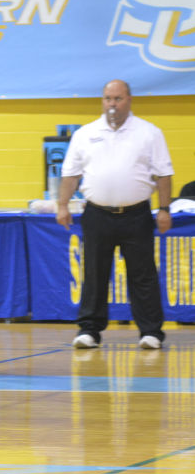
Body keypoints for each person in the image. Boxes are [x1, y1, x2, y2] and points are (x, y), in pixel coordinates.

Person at [57, 80, 173, 350]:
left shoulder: (149, 132)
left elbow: (164, 173)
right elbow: (70, 174)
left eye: (118, 98)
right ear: (102, 101)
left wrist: (164, 209)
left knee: (142, 274)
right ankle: (89, 331)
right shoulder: (85, 134)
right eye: (108, 98)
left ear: (129, 99)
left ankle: (151, 332)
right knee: (95, 273)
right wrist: (62, 205)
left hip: (137, 215)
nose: (112, 104)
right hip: (97, 215)